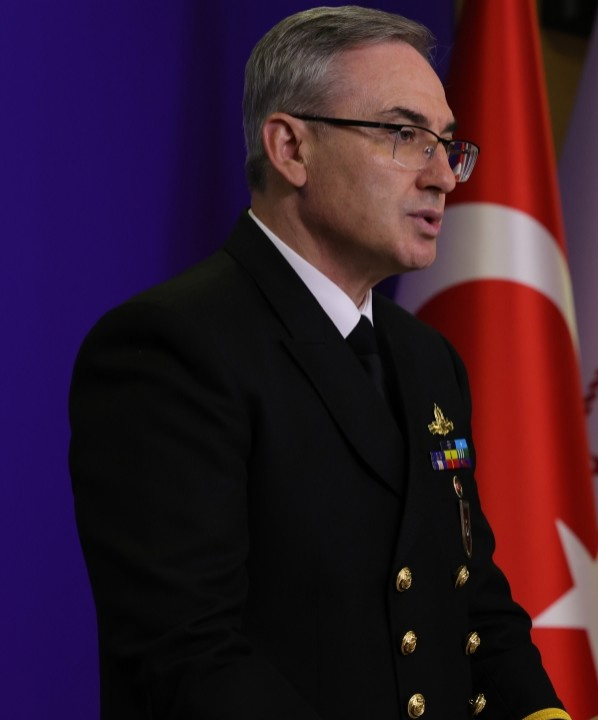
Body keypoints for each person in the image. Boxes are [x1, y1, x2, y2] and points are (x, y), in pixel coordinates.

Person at [68, 7, 568, 719]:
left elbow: (471, 599)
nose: (443, 177)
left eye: (447, 144)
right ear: (291, 148)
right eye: (404, 135)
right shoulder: (171, 347)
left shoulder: (428, 359)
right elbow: (189, 655)